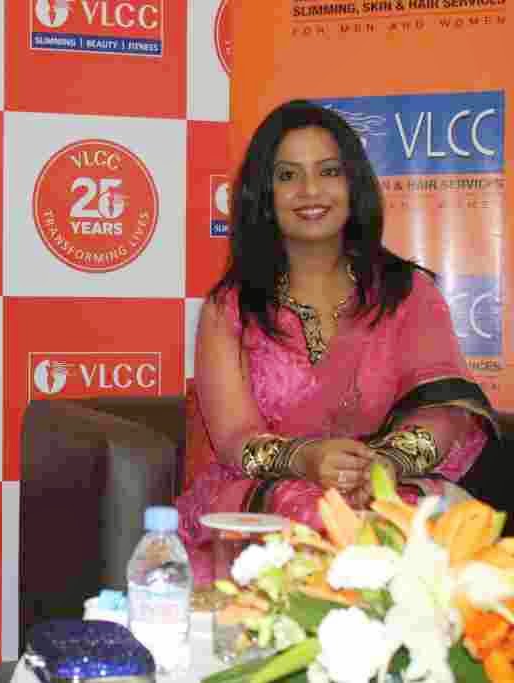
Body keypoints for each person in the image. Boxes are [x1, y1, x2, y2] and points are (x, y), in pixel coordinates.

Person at [176, 100, 496, 586]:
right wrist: (307, 459)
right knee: (311, 513)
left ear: (353, 184)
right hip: (267, 495)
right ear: (264, 194)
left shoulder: (407, 294)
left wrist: (382, 466)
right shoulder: (230, 309)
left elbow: (444, 412)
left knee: (405, 525)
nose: (310, 191)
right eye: (288, 175)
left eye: (328, 171)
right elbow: (235, 438)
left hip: (387, 484)